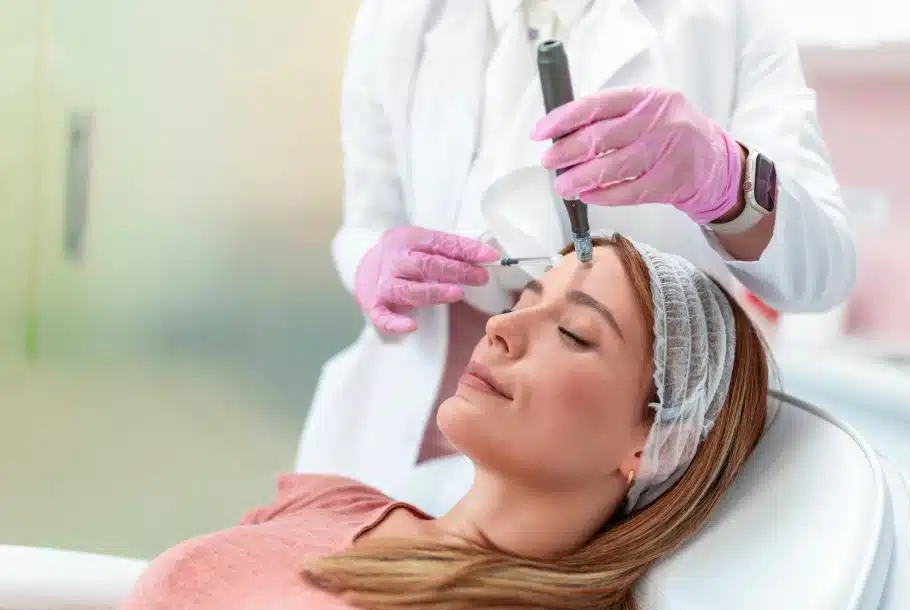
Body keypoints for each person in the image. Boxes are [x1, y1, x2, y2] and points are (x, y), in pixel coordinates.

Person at [36, 235, 769, 610]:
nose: (506, 327)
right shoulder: (331, 502)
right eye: (527, 297)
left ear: (652, 438)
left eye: (574, 334)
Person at [296, 0, 853, 501]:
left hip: (582, 486)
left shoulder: (727, 18)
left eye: (574, 332)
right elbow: (367, 224)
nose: (503, 330)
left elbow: (823, 273)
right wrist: (373, 263)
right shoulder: (401, 16)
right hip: (388, 433)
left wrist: (727, 178)